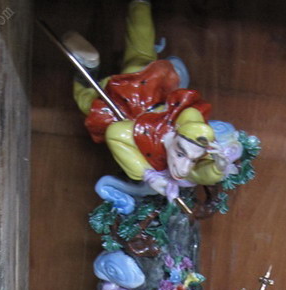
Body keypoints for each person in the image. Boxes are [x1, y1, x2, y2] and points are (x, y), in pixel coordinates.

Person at [68, 0, 229, 200]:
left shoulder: (191, 147)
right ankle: (87, 69)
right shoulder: (154, 135)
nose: (183, 168)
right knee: (88, 101)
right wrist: (148, 174)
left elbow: (197, 173)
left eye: (192, 160)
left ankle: (140, 5)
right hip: (130, 97)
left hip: (150, 84)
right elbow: (116, 133)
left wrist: (218, 168)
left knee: (141, 51)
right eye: (180, 155)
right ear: (176, 134)